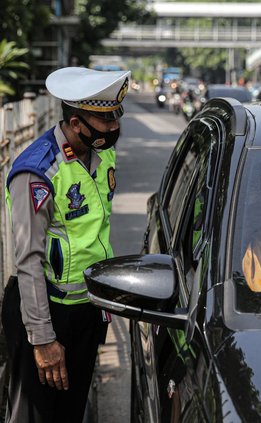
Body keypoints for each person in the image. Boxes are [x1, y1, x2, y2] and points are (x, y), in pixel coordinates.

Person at [2, 66, 130, 422]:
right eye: (104, 120)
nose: (114, 127)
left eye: (115, 116)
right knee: (35, 416)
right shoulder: (38, 172)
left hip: (85, 311)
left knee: (70, 414)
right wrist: (43, 339)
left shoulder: (101, 155)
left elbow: (95, 232)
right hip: (45, 313)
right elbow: (28, 261)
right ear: (76, 124)